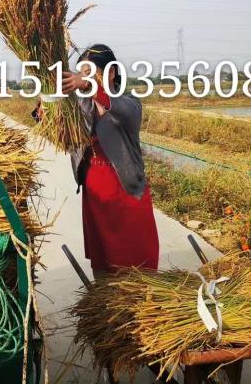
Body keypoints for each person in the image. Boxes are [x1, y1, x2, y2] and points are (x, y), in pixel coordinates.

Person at [34, 44, 159, 276]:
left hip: (127, 190)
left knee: (137, 259)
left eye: (90, 72)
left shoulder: (129, 103)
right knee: (104, 261)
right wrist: (48, 104)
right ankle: (105, 301)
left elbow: (119, 110)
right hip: (95, 190)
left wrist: (90, 86)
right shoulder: (81, 106)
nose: (84, 78)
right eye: (82, 73)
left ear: (111, 72)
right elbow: (57, 129)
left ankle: (144, 301)